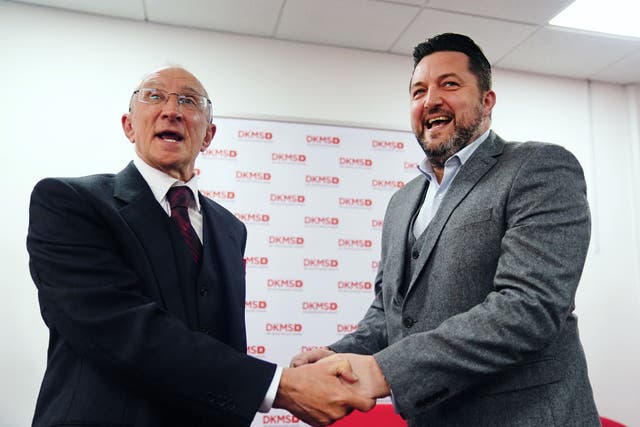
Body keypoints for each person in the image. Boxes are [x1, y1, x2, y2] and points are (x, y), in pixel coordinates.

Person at [26, 66, 374, 427]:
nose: (172, 110)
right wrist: (278, 386)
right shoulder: (69, 202)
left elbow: (225, 342)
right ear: (129, 125)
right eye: (155, 96)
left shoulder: (230, 228)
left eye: (188, 101)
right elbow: (120, 330)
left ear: (208, 135)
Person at [292, 33, 601, 426]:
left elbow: (529, 308)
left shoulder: (539, 167)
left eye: (450, 84)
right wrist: (337, 358)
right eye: (418, 91)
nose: (431, 100)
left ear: (487, 101)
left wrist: (382, 371)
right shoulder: (402, 201)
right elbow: (388, 313)